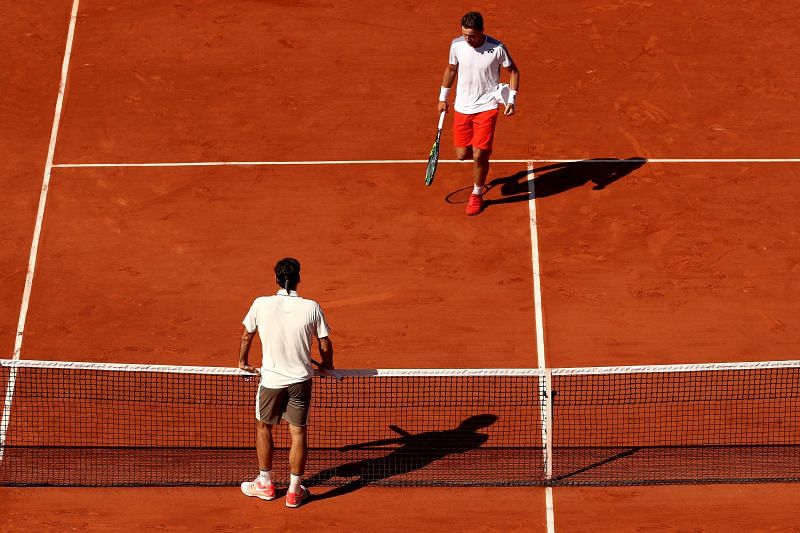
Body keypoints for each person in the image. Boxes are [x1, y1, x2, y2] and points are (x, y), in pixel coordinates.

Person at [238, 257, 333, 508]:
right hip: (301, 381)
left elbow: (247, 335)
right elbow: (324, 342)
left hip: (271, 380)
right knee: (298, 432)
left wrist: (242, 361)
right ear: (299, 278)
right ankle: (293, 491)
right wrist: (326, 364)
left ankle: (266, 484)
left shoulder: (261, 304)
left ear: (277, 279)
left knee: (263, 428)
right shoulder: (312, 307)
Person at [437, 11, 520, 216]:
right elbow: (451, 69)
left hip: (487, 105)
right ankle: (481, 160)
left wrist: (511, 99)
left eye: (472, 35)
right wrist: (442, 97)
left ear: (482, 31)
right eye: (464, 34)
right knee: (462, 154)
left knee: (479, 153)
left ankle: (476, 194)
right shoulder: (457, 45)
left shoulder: (497, 48)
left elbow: (514, 72)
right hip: (462, 106)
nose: (468, 39)